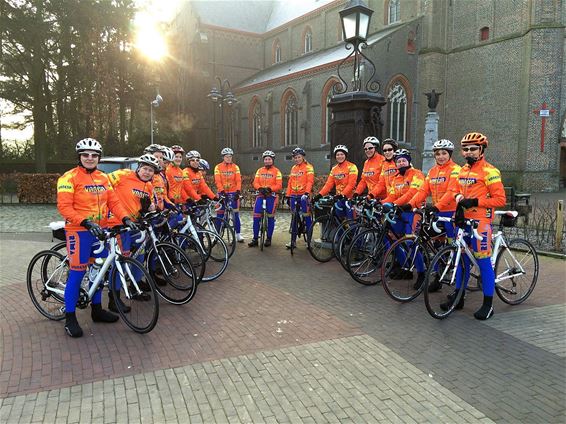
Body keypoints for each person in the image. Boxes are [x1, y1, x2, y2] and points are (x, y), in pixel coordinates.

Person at [56, 138, 134, 338]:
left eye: (94, 155)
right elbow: (64, 207)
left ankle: (97, 309)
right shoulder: (69, 177)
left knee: (99, 270)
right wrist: (85, 222)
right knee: (78, 273)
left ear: (98, 157)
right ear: (79, 157)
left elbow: (114, 202)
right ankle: (70, 317)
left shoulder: (103, 177)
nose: (90, 158)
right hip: (79, 231)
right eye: (85, 155)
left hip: (99, 232)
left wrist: (125, 217)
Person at [444, 132, 506, 320]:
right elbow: (454, 189)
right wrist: (458, 197)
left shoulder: (490, 171)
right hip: (463, 221)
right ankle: (459, 297)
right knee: (460, 260)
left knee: (483, 262)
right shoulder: (462, 171)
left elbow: (500, 199)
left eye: (473, 149)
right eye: (465, 149)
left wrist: (476, 202)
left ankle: (488, 305)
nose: (469, 152)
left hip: (481, 223)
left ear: (481, 150)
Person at [407, 139, 460, 290]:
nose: (441, 156)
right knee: (435, 245)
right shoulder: (432, 171)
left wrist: (436, 207)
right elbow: (423, 191)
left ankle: (456, 277)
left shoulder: (456, 170)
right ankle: (437, 276)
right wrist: (410, 204)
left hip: (452, 213)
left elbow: (451, 192)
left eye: (444, 153)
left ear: (450, 154)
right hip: (438, 213)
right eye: (438, 154)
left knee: (452, 245)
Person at [107, 154, 159, 297]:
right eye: (145, 169)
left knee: (139, 257)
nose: (147, 172)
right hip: (117, 224)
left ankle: (135, 289)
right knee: (121, 261)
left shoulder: (148, 185)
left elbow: (142, 205)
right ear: (139, 167)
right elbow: (102, 185)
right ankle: (114, 297)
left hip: (134, 225)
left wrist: (149, 208)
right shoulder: (122, 174)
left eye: (151, 170)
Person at [314, 145, 358, 220]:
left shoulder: (352, 167)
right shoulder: (334, 169)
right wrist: (319, 195)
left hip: (350, 199)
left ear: (345, 155)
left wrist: (342, 195)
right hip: (339, 199)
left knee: (350, 222)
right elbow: (328, 185)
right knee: (339, 220)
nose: (340, 156)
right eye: (337, 155)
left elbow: (351, 184)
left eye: (342, 154)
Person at [249, 150, 282, 247]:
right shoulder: (260, 170)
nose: (267, 161)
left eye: (269, 159)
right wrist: (259, 188)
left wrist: (270, 189)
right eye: (266, 159)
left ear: (272, 160)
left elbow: (279, 185)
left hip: (271, 196)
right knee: (256, 217)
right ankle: (255, 238)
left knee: (270, 217)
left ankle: (268, 238)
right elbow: (255, 182)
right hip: (260, 194)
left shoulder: (277, 171)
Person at [285, 147, 315, 249]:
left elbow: (310, 181)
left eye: (299, 157)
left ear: (303, 157)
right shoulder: (293, 168)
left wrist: (306, 193)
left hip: (304, 195)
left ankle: (309, 242)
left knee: (307, 216)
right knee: (294, 217)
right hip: (294, 195)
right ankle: (293, 241)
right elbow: (290, 183)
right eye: (295, 157)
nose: (297, 159)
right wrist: (288, 196)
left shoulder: (309, 167)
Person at [214, 147, 244, 242]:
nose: (228, 158)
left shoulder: (235, 167)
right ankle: (217, 235)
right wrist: (221, 191)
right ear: (223, 157)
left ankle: (238, 234)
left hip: (233, 192)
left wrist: (238, 191)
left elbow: (238, 180)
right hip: (222, 193)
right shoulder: (218, 167)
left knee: (235, 214)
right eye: (227, 157)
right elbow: (217, 180)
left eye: (230, 156)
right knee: (220, 215)